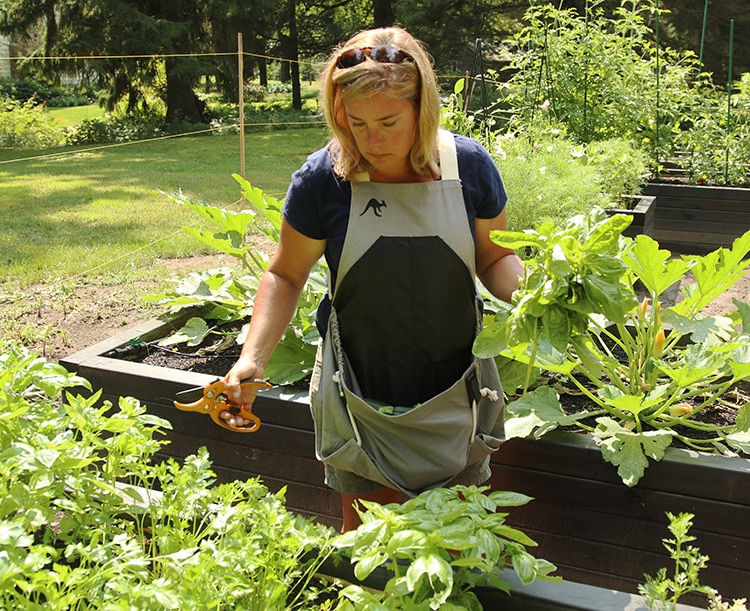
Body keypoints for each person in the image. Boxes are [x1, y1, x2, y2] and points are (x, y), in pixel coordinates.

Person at [222, 26, 524, 531]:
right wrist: (252, 357)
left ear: (422, 108)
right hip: (355, 391)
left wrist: (538, 294)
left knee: (457, 548)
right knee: (368, 549)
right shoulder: (324, 178)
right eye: (356, 123)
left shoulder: (467, 166)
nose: (372, 140)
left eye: (388, 121)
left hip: (456, 392)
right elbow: (286, 273)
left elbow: (493, 258)